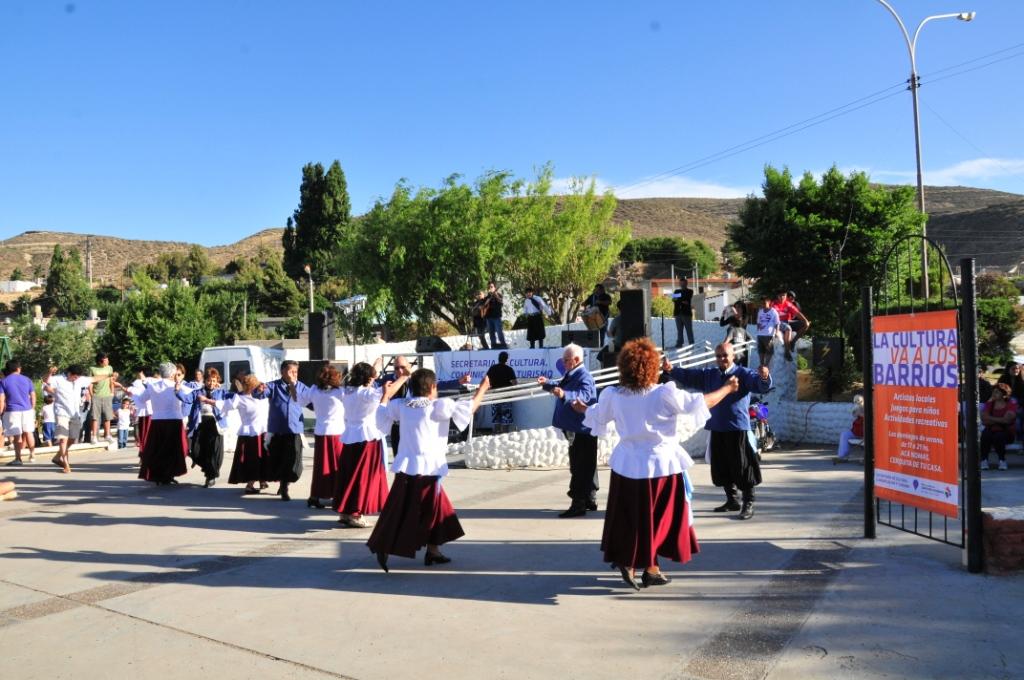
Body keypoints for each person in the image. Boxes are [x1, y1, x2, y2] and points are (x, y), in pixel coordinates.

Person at [573, 338, 739, 590]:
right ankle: (637, 564)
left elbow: (596, 415)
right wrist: (727, 388)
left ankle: (647, 568)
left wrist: (582, 407)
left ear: (624, 367)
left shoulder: (613, 396)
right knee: (663, 521)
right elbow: (699, 404)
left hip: (626, 466)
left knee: (629, 517)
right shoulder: (664, 394)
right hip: (661, 468)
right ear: (652, 367)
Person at [367, 370, 490, 572]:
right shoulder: (438, 406)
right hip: (430, 470)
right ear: (432, 387)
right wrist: (483, 388)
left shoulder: (402, 405)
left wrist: (386, 395)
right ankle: (388, 545)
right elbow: (469, 409)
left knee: (405, 508)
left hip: (406, 467)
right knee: (427, 511)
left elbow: (381, 414)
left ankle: (432, 551)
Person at [663, 342, 773, 520]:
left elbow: (760, 385)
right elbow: (690, 376)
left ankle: (748, 502)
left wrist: (765, 377)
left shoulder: (743, 374)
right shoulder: (710, 375)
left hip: (737, 428)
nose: (722, 359)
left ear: (733, 356)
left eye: (725, 355)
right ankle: (732, 499)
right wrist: (671, 369)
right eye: (719, 356)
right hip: (717, 426)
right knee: (722, 466)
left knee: (743, 467)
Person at [538, 343, 598, 517]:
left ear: (577, 360)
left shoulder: (584, 376)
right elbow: (562, 387)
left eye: (566, 360)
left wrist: (565, 395)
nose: (563, 362)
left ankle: (578, 504)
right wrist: (547, 385)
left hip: (581, 429)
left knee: (580, 467)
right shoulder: (573, 373)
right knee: (585, 466)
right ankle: (589, 499)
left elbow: (586, 396)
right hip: (577, 428)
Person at [335, 360, 390, 526]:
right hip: (366, 436)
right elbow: (382, 399)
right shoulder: (366, 394)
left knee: (348, 474)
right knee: (362, 476)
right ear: (367, 378)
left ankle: (346, 511)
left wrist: (376, 368)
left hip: (350, 435)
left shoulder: (347, 392)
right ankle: (356, 513)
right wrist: (401, 380)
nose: (374, 380)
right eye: (372, 378)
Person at [252, 360, 309, 501]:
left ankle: (286, 481)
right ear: (282, 372)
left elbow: (311, 400)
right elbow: (259, 394)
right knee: (279, 459)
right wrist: (258, 390)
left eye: (296, 372)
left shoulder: (300, 386)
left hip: (295, 429)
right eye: (290, 372)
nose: (293, 375)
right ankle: (284, 485)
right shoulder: (273, 386)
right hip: (277, 429)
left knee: (294, 461)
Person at [130, 362, 190, 485]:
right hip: (174, 420)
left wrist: (132, 392)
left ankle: (159, 474)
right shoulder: (177, 386)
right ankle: (169, 474)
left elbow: (141, 399)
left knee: (157, 449)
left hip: (157, 420)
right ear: (173, 373)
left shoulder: (152, 386)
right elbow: (190, 397)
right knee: (173, 450)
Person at [299, 364, 347, 510]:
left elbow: (301, 400)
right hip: (337, 432)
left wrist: (293, 387)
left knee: (321, 466)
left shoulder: (314, 390)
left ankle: (316, 495)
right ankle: (336, 494)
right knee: (338, 466)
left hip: (321, 431)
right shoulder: (340, 392)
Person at [176, 367, 230, 487]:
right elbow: (187, 398)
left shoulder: (222, 392)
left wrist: (245, 390)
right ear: (205, 380)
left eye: (214, 381)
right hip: (200, 424)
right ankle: (210, 470)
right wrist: (178, 391)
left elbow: (234, 398)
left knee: (213, 452)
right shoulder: (197, 392)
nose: (212, 383)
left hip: (215, 424)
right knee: (195, 451)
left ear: (217, 381)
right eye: (209, 380)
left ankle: (210, 476)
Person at [217, 374, 269, 495]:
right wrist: (209, 401)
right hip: (249, 434)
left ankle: (262, 480)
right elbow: (225, 405)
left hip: (263, 432)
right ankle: (250, 484)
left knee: (264, 458)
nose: (246, 386)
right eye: (246, 384)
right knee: (253, 459)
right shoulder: (239, 398)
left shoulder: (262, 396)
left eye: (248, 384)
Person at [1, 360, 37, 465]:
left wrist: (1, 412)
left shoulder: (3, 381)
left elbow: (1, 399)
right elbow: (33, 395)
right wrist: (32, 407)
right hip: (27, 410)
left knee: (17, 436)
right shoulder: (27, 380)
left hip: (12, 411)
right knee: (29, 432)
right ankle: (32, 454)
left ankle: (18, 458)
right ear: (18, 368)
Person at [980, 383, 1017, 471]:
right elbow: (984, 420)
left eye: (997, 392)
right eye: (993, 392)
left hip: (1006, 432)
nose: (994, 394)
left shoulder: (1010, 404)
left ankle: (1002, 460)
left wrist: (991, 419)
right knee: (985, 435)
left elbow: (1007, 420)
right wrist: (1001, 419)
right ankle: (984, 460)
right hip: (991, 430)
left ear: (1004, 394)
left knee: (999, 436)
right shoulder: (990, 404)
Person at [772, 290, 810, 362]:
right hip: (777, 323)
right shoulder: (773, 304)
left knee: (806, 324)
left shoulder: (788, 304)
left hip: (786, 322)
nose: (782, 297)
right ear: (777, 296)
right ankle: (787, 352)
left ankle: (793, 342)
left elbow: (797, 313)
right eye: (780, 295)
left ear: (786, 296)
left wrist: (805, 321)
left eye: (784, 295)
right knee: (788, 328)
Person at [88, 352, 117, 444]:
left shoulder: (110, 368)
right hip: (96, 396)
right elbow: (90, 383)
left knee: (107, 416)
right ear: (101, 361)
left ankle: (107, 435)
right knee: (95, 417)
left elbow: (111, 380)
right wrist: (92, 395)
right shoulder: (92, 369)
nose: (108, 360)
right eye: (106, 359)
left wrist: (112, 392)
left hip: (107, 395)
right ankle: (94, 437)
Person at [485, 351, 517, 430]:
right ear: (507, 360)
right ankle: (504, 438)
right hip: (505, 397)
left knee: (496, 421)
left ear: (498, 358)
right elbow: (515, 383)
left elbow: (486, 381)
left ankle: (496, 436)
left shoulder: (492, 368)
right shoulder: (509, 369)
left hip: (495, 397)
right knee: (506, 420)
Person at [834, 395, 865, 464]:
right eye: (856, 401)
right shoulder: (858, 408)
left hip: (864, 433)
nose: (857, 403)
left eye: (859, 401)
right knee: (844, 434)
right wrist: (857, 411)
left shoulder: (866, 408)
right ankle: (842, 456)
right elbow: (854, 414)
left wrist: (860, 413)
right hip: (856, 432)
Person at [720, 301, 752, 367]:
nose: (737, 308)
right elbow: (722, 324)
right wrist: (723, 314)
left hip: (741, 341)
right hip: (731, 341)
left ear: (743, 308)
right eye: (736, 307)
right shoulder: (732, 317)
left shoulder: (745, 317)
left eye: (739, 307)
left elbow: (740, 324)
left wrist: (735, 313)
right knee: (732, 361)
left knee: (742, 362)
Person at [756, 295, 781, 368]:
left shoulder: (773, 311)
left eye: (764, 303)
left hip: (769, 335)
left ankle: (766, 365)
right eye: (762, 303)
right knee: (761, 350)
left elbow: (777, 323)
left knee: (769, 350)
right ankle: (761, 364)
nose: (763, 304)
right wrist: (758, 328)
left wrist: (777, 332)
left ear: (769, 302)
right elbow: (758, 321)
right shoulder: (760, 311)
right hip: (760, 334)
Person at [483, 281, 507, 349]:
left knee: (499, 332)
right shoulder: (487, 297)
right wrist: (488, 300)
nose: (490, 288)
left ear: (494, 287)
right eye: (489, 287)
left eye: (491, 287)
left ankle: (503, 344)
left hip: (496, 317)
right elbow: (484, 306)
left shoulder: (499, 295)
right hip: (489, 317)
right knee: (491, 333)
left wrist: (495, 295)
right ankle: (493, 345)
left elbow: (501, 303)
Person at [673, 279, 695, 348]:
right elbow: (673, 300)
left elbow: (687, 298)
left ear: (686, 284)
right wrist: (682, 300)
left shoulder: (689, 291)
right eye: (681, 283)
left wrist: (679, 299)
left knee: (689, 329)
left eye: (683, 283)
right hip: (677, 313)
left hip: (686, 314)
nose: (682, 285)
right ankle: (679, 343)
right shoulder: (676, 291)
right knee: (679, 330)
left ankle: (691, 344)